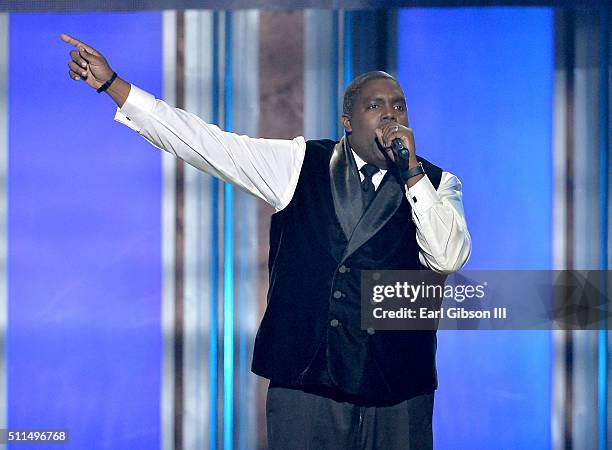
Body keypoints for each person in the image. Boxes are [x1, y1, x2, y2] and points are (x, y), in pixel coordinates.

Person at [61, 33, 471, 450]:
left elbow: (448, 257)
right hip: (308, 385)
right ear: (347, 121)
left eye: (398, 106)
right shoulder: (298, 163)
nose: (390, 116)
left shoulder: (438, 183)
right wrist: (114, 84)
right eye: (375, 106)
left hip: (398, 392)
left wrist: (413, 175)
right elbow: (206, 143)